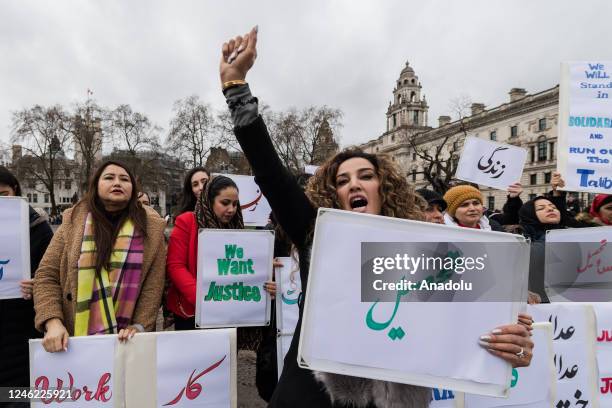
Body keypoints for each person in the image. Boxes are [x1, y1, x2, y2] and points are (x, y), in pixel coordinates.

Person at [219, 27, 533, 407]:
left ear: (383, 187)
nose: (354, 184)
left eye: (365, 176)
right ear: (332, 193)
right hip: (312, 395)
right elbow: (269, 170)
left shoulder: (430, 250)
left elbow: (468, 323)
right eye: (342, 180)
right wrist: (236, 88)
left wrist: (509, 341)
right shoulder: (317, 233)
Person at [33, 160, 167, 352]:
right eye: (109, 177)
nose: (117, 183)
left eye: (124, 179)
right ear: (96, 186)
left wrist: (139, 326)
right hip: (71, 338)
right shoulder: (72, 221)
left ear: (133, 189)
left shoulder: (152, 228)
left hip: (129, 342)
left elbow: (153, 287)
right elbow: (46, 275)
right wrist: (53, 321)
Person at [0, 167, 53, 395]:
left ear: (15, 191)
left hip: (22, 322)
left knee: (18, 391)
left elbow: (52, 274)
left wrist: (37, 284)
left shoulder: (37, 227)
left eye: (3, 194)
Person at [166, 175, 244, 330]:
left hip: (227, 312)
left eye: (235, 204)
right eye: (225, 203)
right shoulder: (186, 221)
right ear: (209, 200)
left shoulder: (237, 229)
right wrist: (203, 299)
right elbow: (176, 266)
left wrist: (264, 266)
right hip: (193, 313)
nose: (231, 210)